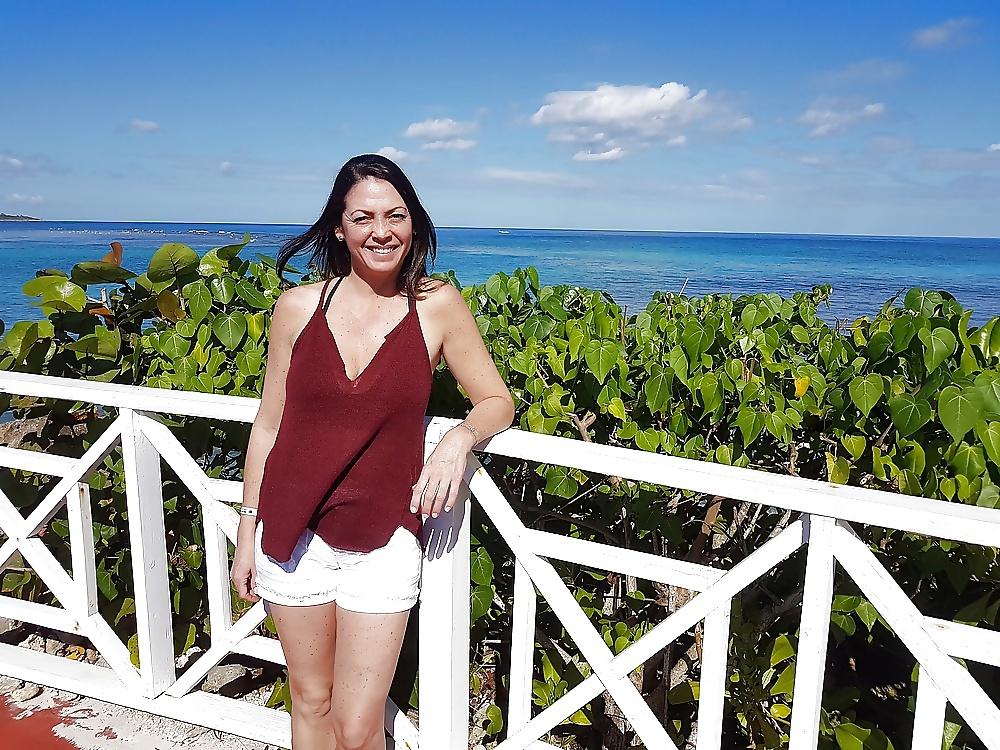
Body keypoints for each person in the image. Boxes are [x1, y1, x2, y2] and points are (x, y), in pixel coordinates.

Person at [229, 153, 515, 750]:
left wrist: (458, 440)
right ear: (339, 227)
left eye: (395, 216)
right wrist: (246, 528)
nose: (381, 231)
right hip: (293, 533)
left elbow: (496, 401)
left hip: (385, 538)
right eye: (363, 217)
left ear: (414, 223)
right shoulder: (297, 308)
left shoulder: (437, 305)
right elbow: (268, 425)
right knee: (311, 699)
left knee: (359, 728)